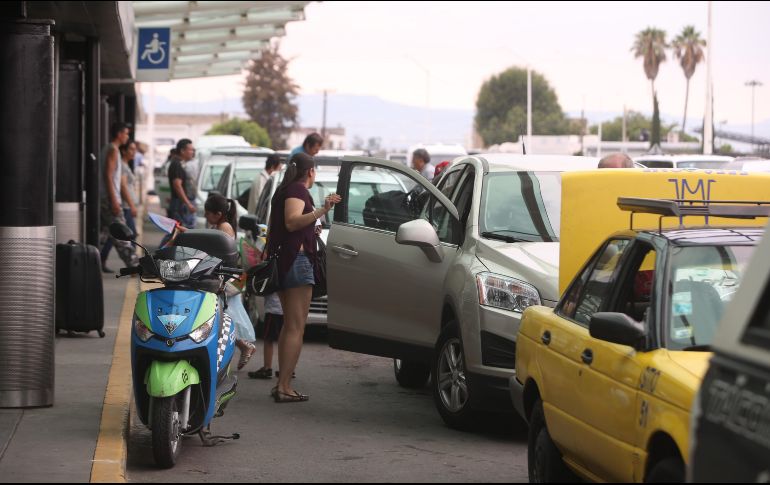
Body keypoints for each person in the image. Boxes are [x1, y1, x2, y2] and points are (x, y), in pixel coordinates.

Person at [267, 152, 340, 402]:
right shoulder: (298, 190)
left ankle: (282, 384)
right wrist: (322, 209)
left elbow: (293, 225)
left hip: (287, 261)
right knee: (296, 328)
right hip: (296, 263)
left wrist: (312, 224)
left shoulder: (286, 189)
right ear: (311, 172)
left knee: (290, 325)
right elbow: (291, 222)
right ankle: (284, 386)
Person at [203, 193, 257, 370]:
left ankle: (236, 351)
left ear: (218, 214)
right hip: (221, 279)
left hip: (224, 280)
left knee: (223, 319)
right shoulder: (219, 225)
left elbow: (217, 254)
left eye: (208, 213)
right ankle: (242, 347)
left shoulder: (224, 227)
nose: (205, 216)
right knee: (225, 318)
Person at [99, 122, 139, 272]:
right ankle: (134, 265)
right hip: (110, 199)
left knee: (103, 234)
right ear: (119, 134)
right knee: (123, 234)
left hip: (106, 198)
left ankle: (92, 259)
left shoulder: (108, 149)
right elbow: (108, 176)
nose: (127, 137)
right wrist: (114, 200)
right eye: (126, 133)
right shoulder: (113, 150)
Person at [247, 292, 284, 379]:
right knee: (285, 339)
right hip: (286, 309)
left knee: (268, 339)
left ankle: (267, 368)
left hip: (274, 308)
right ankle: (286, 368)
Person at [168, 139, 197, 229]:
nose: (192, 152)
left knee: (177, 232)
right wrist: (188, 204)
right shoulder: (177, 164)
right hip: (179, 205)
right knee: (181, 231)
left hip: (179, 203)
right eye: (190, 150)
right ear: (182, 151)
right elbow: (177, 185)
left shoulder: (179, 163)